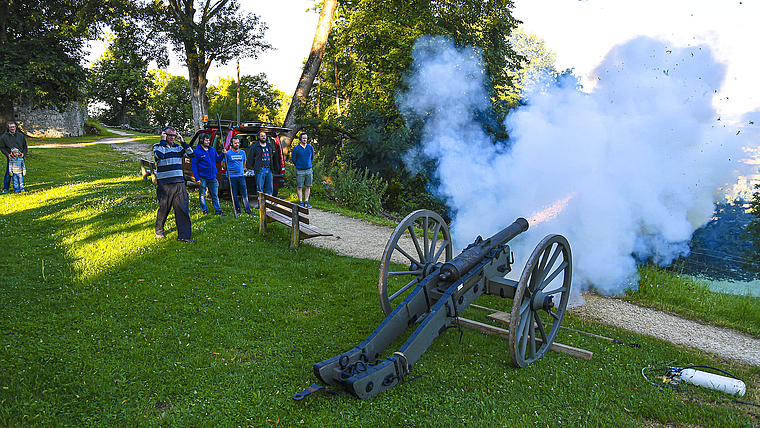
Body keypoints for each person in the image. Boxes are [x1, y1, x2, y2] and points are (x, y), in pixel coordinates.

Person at [153, 126, 195, 243]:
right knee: (164, 208)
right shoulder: (158, 146)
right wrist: (162, 141)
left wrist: (182, 141)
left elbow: (191, 154)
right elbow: (160, 155)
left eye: (174, 135)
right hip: (165, 185)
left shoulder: (178, 148)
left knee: (182, 209)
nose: (172, 137)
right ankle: (159, 231)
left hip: (179, 183)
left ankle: (184, 236)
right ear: (164, 135)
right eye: (169, 135)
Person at [191, 134, 225, 216]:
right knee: (202, 195)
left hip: (212, 176)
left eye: (208, 140)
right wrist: (196, 178)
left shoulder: (212, 150)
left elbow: (217, 160)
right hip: (202, 177)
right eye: (206, 140)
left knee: (215, 195)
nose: (208, 142)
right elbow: (194, 165)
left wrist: (223, 154)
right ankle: (204, 210)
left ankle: (218, 210)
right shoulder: (196, 151)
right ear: (201, 140)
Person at [226, 135, 251, 215]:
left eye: (238, 143)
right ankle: (237, 209)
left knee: (244, 193)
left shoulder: (242, 152)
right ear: (231, 144)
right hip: (231, 176)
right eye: (235, 143)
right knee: (234, 193)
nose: (237, 144)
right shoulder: (228, 153)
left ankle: (247, 209)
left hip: (241, 176)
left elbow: (244, 162)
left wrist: (241, 170)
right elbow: (224, 164)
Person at [0, 121, 28, 194]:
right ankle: (6, 188)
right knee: (9, 173)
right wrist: (7, 155)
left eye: (14, 127)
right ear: (8, 128)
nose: (13, 128)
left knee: (20, 174)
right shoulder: (4, 137)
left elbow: (25, 146)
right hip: (11, 158)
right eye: (11, 127)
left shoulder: (20, 136)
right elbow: (2, 148)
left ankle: (20, 188)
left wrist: (23, 154)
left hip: (20, 157)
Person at [291, 132, 315, 208]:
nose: (304, 139)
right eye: (303, 138)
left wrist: (308, 164)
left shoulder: (310, 147)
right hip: (300, 170)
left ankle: (306, 201)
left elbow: (312, 157)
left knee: (308, 186)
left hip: (309, 170)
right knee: (299, 187)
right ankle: (301, 201)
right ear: (300, 139)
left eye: (306, 138)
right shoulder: (296, 148)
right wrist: (299, 165)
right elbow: (293, 159)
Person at [248, 131, 274, 197]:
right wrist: (254, 167)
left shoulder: (269, 145)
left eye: (264, 136)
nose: (263, 137)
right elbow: (250, 158)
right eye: (262, 136)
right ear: (258, 137)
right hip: (260, 170)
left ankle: (269, 204)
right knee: (260, 189)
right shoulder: (254, 147)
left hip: (269, 169)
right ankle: (261, 205)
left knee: (270, 188)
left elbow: (273, 157)